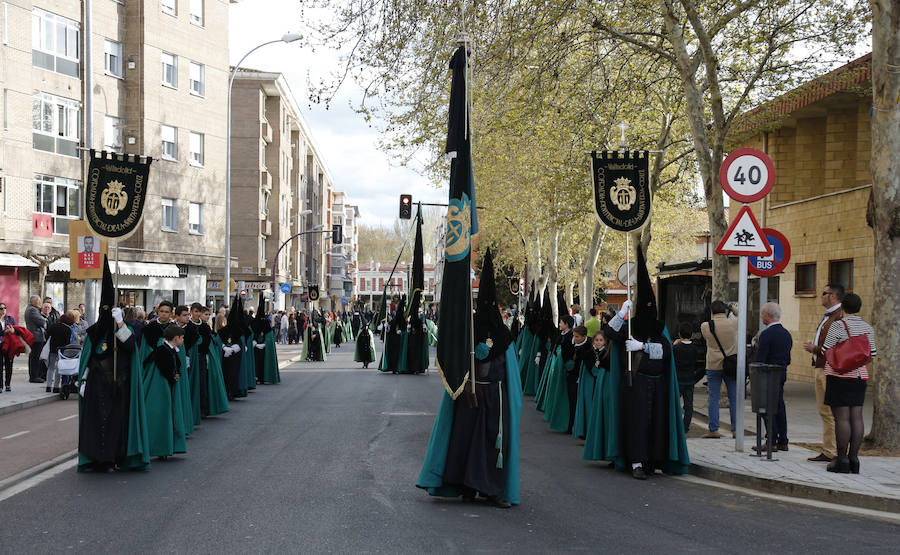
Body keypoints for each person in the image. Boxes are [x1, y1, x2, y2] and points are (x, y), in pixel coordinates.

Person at [416, 248, 521, 508]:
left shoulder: (503, 336)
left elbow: (510, 373)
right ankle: (465, 485)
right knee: (463, 440)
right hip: (470, 394)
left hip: (494, 399)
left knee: (489, 444)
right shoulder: (470, 332)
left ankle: (491, 488)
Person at [606, 245, 690, 479]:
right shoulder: (630, 326)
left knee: (657, 423)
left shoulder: (658, 326)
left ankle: (654, 459)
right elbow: (609, 334)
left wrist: (642, 346)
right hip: (637, 384)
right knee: (638, 424)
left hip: (659, 383)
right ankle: (637, 463)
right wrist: (620, 314)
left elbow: (665, 350)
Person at [78, 257, 150, 472]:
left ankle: (111, 458)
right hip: (96, 385)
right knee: (94, 424)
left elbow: (129, 346)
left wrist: (120, 323)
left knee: (115, 424)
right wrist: (82, 379)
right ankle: (94, 459)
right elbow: (90, 357)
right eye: (104, 310)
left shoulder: (124, 328)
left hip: (119, 384)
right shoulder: (95, 332)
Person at [821, 293, 875, 474]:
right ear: (859, 308)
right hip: (859, 376)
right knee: (856, 417)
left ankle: (841, 460)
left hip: (838, 376)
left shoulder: (838, 326)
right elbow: (871, 354)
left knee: (841, 418)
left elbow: (825, 350)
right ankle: (854, 458)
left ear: (842, 307)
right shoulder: (867, 328)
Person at [802, 283, 844, 463]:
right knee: (824, 411)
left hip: (829, 368)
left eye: (824, 293)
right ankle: (829, 449)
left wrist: (815, 348)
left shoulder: (839, 316)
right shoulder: (830, 316)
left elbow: (838, 346)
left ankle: (833, 450)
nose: (821, 296)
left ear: (833, 296)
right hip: (821, 367)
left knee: (831, 411)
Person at [753, 302, 793, 453]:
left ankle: (771, 440)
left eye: (762, 314)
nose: (761, 317)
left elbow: (760, 358)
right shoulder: (786, 334)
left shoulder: (767, 334)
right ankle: (783, 440)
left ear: (768, 316)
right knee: (780, 407)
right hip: (781, 373)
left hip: (767, 375)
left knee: (767, 408)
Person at [143, 325, 187, 459]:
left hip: (166, 385)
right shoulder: (163, 351)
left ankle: (166, 447)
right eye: (182, 338)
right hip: (161, 387)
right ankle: (159, 447)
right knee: (162, 416)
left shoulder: (169, 350)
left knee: (166, 415)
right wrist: (174, 377)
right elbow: (168, 369)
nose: (183, 340)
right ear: (176, 338)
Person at [700, 300, 739, 439]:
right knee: (734, 397)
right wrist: (733, 309)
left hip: (713, 365)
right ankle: (736, 430)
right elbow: (741, 316)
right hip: (731, 365)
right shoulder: (733, 323)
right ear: (725, 310)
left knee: (713, 398)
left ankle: (713, 429)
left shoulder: (706, 326)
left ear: (712, 312)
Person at [673, 322, 699, 433]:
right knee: (689, 405)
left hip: (678, 379)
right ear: (691, 334)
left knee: (675, 404)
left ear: (679, 334)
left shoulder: (677, 348)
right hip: (690, 379)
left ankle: (675, 424)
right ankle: (685, 426)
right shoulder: (695, 348)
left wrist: (673, 345)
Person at [44, 311, 76, 393]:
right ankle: (56, 387)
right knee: (58, 369)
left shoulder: (53, 326)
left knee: (50, 368)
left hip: (52, 349)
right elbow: (67, 342)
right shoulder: (68, 329)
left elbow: (47, 335)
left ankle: (48, 386)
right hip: (62, 351)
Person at [25, 295, 47, 383]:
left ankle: (34, 375)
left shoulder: (31, 309)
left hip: (35, 337)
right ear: (33, 302)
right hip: (36, 337)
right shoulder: (32, 310)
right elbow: (41, 321)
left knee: (34, 357)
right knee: (35, 357)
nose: (40, 303)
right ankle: (34, 376)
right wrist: (45, 320)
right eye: (38, 301)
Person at [0, 303, 18, 392]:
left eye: (4, 308)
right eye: (1, 308)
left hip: (9, 345)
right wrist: (5, 331)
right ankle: (0, 386)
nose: (3, 310)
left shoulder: (10, 319)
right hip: (0, 345)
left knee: (9, 365)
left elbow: (17, 330)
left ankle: (8, 384)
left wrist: (13, 330)